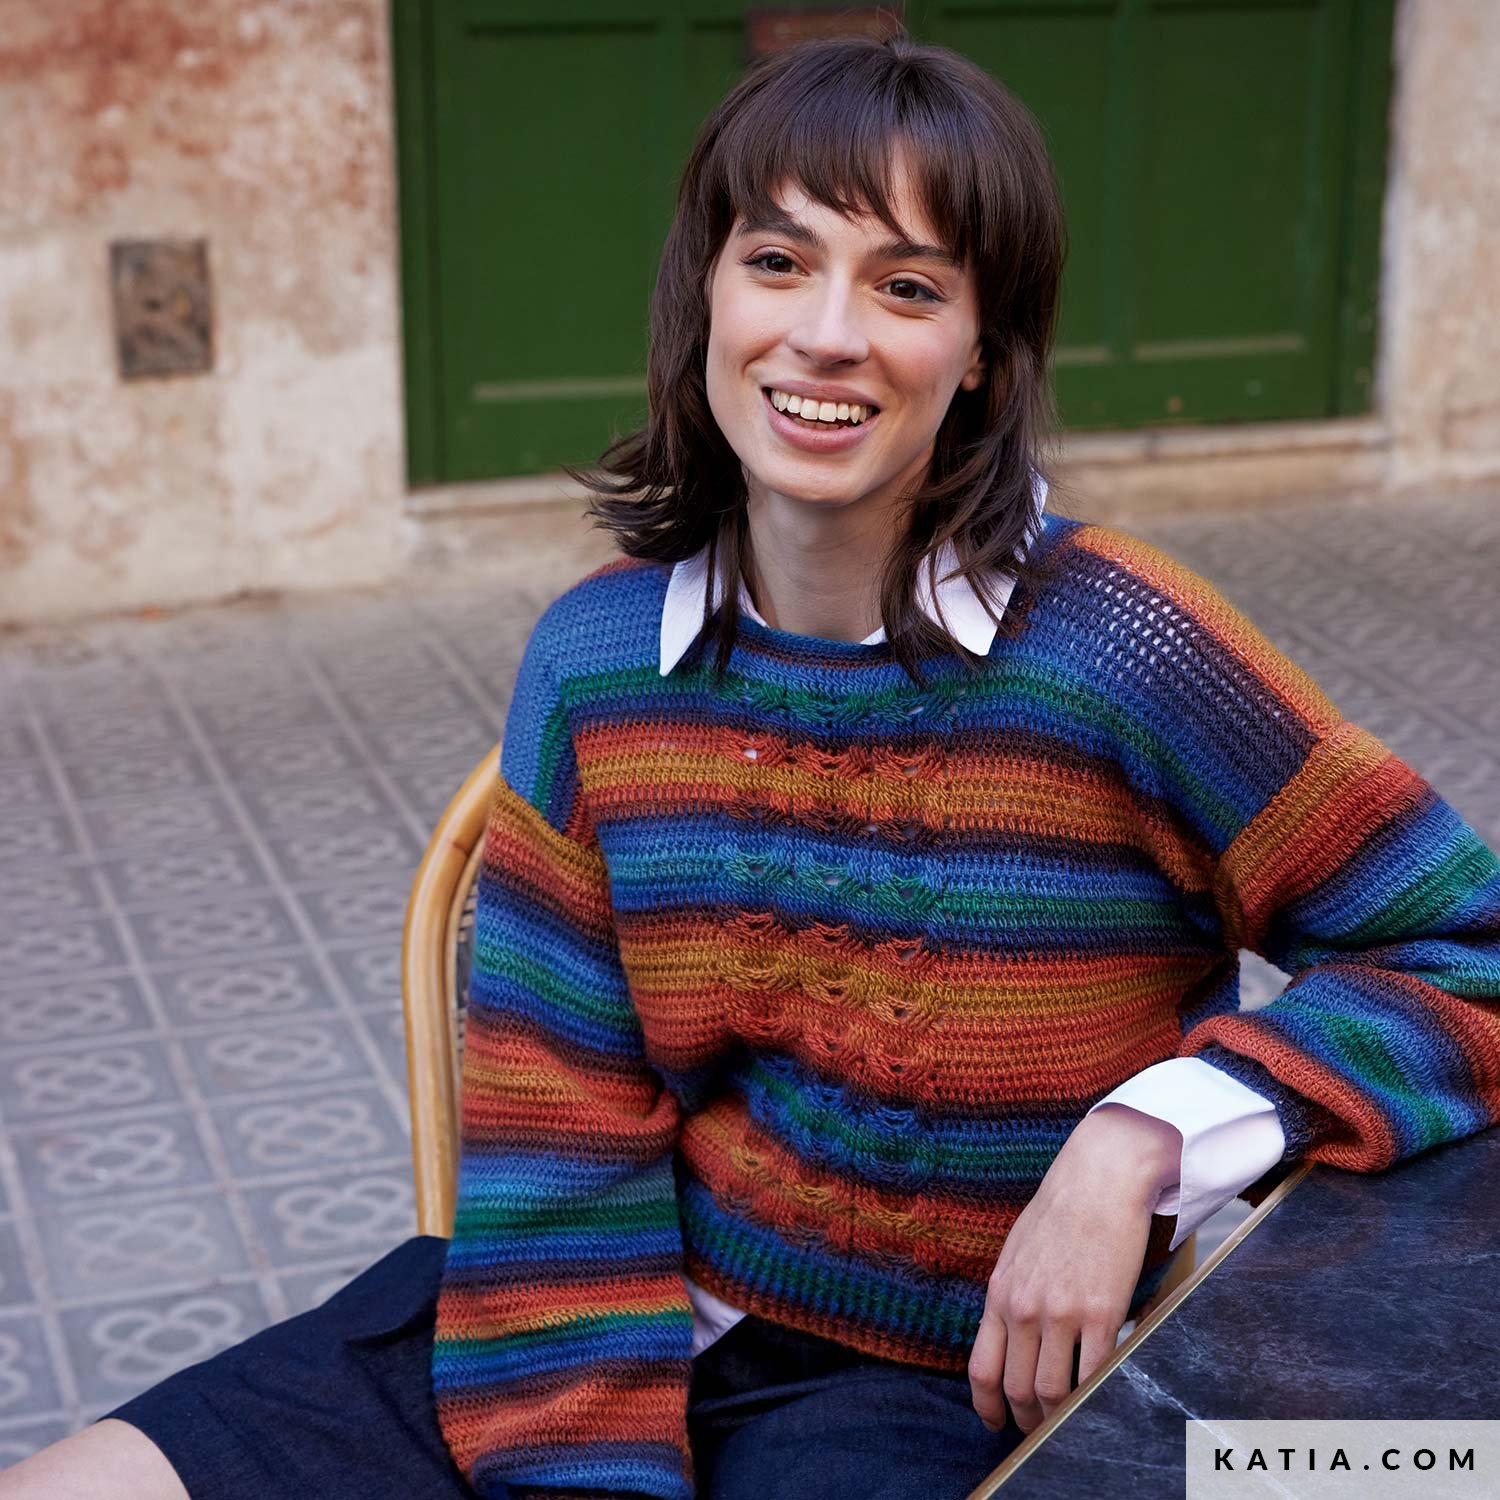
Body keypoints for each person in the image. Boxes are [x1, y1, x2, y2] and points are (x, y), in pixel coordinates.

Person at [7, 32, 1499, 1500]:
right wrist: (588, 1472)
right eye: (778, 261)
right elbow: (560, 1117)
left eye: (907, 287)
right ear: (706, 295)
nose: (827, 334)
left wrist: (1144, 1138)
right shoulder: (598, 664)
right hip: (582, 1302)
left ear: (984, 353)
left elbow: (1464, 950)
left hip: (925, 1391)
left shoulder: (1123, 649)